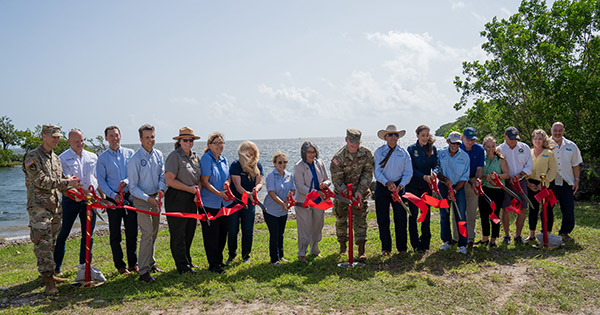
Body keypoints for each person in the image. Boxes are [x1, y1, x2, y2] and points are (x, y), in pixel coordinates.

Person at [22, 124, 81, 295]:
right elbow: (41, 181)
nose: (56, 139)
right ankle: (48, 280)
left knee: (53, 242)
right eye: (53, 136)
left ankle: (51, 274)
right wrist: (67, 184)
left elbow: (61, 182)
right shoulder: (32, 157)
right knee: (43, 243)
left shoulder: (55, 158)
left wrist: (73, 192)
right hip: (39, 209)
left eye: (58, 137)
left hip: (55, 208)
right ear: (43, 136)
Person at [54, 129, 98, 274]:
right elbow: (68, 181)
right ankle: (56, 268)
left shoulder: (92, 156)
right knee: (63, 233)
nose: (80, 144)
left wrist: (102, 197)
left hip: (90, 201)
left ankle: (84, 267)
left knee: (88, 235)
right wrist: (81, 192)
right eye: (76, 141)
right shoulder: (62, 158)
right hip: (71, 200)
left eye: (82, 140)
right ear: (69, 142)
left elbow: (97, 179)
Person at [96, 126, 138, 275]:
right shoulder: (102, 158)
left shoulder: (130, 153)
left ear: (120, 136)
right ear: (106, 138)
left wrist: (125, 182)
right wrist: (113, 196)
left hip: (129, 197)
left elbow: (134, 174)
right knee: (115, 234)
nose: (115, 138)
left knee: (132, 232)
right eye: (111, 136)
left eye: (117, 135)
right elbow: (101, 182)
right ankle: (120, 266)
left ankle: (134, 264)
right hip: (112, 200)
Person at [128, 124, 166, 283]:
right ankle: (143, 271)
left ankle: (151, 263)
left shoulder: (158, 154)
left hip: (156, 198)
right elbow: (133, 187)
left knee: (155, 232)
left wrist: (162, 189)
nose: (150, 140)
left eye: (152, 137)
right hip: (142, 200)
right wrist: (147, 198)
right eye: (147, 138)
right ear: (141, 139)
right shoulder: (135, 159)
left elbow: (162, 175)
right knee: (147, 232)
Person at [330, 128, 374, 261]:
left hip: (360, 193)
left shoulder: (366, 154)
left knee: (361, 220)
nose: (354, 147)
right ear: (346, 140)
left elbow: (368, 174)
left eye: (357, 144)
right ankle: (343, 247)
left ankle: (361, 250)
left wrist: (359, 192)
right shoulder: (338, 158)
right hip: (342, 195)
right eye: (352, 144)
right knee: (342, 220)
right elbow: (336, 181)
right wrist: (348, 195)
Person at [164, 127, 202, 274]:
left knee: (190, 231)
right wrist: (189, 189)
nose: (188, 142)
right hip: (176, 198)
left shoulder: (195, 157)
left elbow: (199, 179)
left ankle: (187, 261)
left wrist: (197, 190)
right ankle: (182, 266)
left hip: (191, 198)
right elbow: (169, 180)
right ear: (179, 141)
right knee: (178, 233)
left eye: (190, 140)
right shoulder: (174, 156)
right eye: (185, 139)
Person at [373, 125, 413, 255]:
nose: (394, 137)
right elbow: (377, 172)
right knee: (383, 218)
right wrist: (386, 182)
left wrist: (401, 185)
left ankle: (402, 248)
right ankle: (386, 248)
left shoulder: (403, 153)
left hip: (399, 187)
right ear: (385, 137)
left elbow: (408, 172)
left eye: (396, 135)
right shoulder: (379, 152)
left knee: (401, 218)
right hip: (383, 186)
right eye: (390, 135)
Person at [293, 141, 330, 262]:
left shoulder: (320, 163)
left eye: (313, 151)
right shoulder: (298, 166)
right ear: (303, 152)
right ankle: (301, 253)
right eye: (309, 152)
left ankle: (314, 250)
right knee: (305, 227)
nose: (312, 154)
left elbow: (327, 179)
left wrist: (325, 184)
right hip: (304, 201)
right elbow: (299, 186)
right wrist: (314, 191)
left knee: (318, 225)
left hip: (319, 200)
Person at [227, 141, 263, 265]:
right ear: (242, 154)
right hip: (235, 202)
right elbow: (237, 186)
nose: (250, 157)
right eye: (248, 154)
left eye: (253, 154)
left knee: (248, 230)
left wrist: (256, 189)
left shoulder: (258, 166)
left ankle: (246, 255)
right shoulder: (235, 165)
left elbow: (259, 182)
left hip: (250, 202)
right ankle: (232, 254)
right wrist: (247, 194)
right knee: (232, 230)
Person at [200, 132, 231, 274]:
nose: (220, 146)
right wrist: (218, 193)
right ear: (209, 145)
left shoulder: (224, 159)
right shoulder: (206, 159)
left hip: (224, 204)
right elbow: (205, 182)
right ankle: (213, 264)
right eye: (216, 143)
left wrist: (227, 183)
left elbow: (229, 178)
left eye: (221, 143)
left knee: (222, 233)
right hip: (209, 203)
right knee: (211, 235)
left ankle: (219, 260)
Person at [435, 131, 470, 254]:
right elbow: (436, 170)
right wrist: (445, 179)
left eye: (457, 143)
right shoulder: (440, 153)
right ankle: (446, 241)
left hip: (458, 188)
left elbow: (464, 178)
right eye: (452, 143)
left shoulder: (465, 157)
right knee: (444, 215)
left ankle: (462, 244)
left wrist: (455, 190)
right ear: (448, 142)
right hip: (444, 187)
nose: (455, 145)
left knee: (461, 216)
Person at [498, 127, 533, 245]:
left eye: (515, 139)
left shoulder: (525, 147)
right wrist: (506, 176)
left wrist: (520, 174)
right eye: (511, 139)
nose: (514, 141)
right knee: (506, 208)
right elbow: (498, 167)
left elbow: (529, 165)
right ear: (505, 137)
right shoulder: (499, 149)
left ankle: (518, 235)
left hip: (521, 181)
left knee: (523, 208)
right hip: (506, 182)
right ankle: (506, 235)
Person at [406, 125, 437, 253]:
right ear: (417, 135)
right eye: (422, 135)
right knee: (413, 215)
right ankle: (415, 244)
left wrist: (434, 173)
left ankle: (425, 243)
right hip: (413, 185)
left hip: (426, 186)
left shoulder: (433, 149)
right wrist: (423, 176)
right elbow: (411, 169)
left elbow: (436, 165)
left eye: (427, 135)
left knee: (426, 214)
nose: (425, 138)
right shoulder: (411, 149)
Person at [550, 122, 583, 241]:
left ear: (563, 130)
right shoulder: (545, 144)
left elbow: (575, 165)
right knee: (547, 208)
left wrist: (577, 180)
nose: (557, 133)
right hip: (550, 182)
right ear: (551, 130)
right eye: (555, 130)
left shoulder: (571, 146)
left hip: (566, 182)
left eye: (560, 130)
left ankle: (565, 232)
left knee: (568, 209)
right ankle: (546, 232)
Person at [263, 152, 296, 266]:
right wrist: (282, 203)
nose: (283, 164)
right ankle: (274, 260)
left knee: (280, 234)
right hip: (270, 210)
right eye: (280, 162)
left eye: (285, 162)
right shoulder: (270, 176)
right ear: (274, 163)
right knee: (274, 233)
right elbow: (271, 193)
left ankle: (280, 256)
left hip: (283, 210)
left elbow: (293, 189)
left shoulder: (289, 175)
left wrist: (290, 196)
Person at [525, 129, 557, 241]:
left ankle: (547, 234)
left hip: (545, 184)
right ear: (532, 139)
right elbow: (525, 168)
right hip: (531, 184)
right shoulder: (528, 152)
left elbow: (553, 170)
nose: (537, 141)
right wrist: (528, 183)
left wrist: (543, 184)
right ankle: (532, 233)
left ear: (544, 140)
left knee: (547, 209)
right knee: (533, 208)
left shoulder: (549, 153)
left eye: (540, 138)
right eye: (535, 138)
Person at [478, 135, 509, 248]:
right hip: (484, 189)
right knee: (483, 215)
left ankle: (493, 240)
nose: (490, 149)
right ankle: (484, 238)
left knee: (494, 215)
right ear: (484, 146)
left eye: (493, 146)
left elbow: (506, 174)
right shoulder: (482, 158)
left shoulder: (500, 159)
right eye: (488, 146)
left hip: (497, 191)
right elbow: (480, 175)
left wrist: (497, 177)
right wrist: (487, 177)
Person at [458, 127, 484, 249]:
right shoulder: (457, 148)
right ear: (462, 138)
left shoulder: (479, 149)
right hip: (459, 183)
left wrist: (477, 181)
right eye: (468, 139)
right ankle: (457, 238)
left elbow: (479, 168)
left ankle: (470, 239)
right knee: (458, 212)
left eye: (472, 139)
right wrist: (469, 180)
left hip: (473, 182)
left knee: (471, 212)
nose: (470, 142)